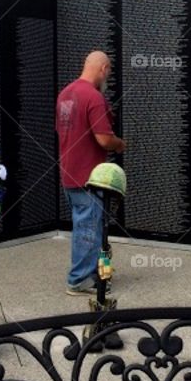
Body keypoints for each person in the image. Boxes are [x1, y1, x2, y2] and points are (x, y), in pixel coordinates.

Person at [56, 50, 126, 295]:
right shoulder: (94, 97)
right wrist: (120, 143)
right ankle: (79, 279)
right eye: (109, 71)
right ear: (104, 69)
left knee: (86, 226)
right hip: (90, 176)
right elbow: (104, 139)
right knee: (88, 228)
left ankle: (96, 272)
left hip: (69, 173)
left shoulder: (65, 94)